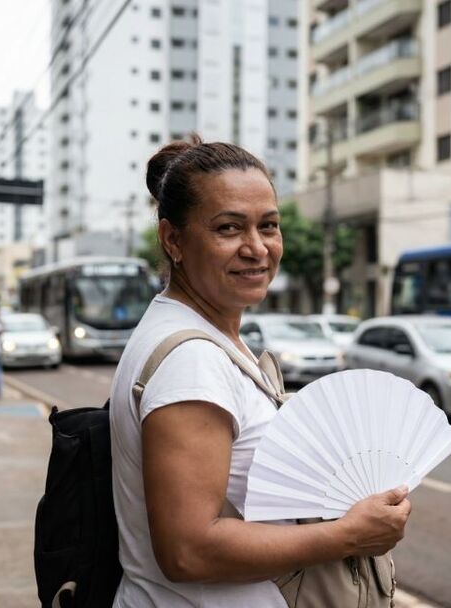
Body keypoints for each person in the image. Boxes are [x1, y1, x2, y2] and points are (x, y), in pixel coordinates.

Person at [108, 136, 411, 607]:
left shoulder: (209, 337)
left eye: (268, 226)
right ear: (173, 240)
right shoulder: (192, 361)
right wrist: (348, 536)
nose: (257, 248)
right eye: (229, 228)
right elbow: (187, 551)